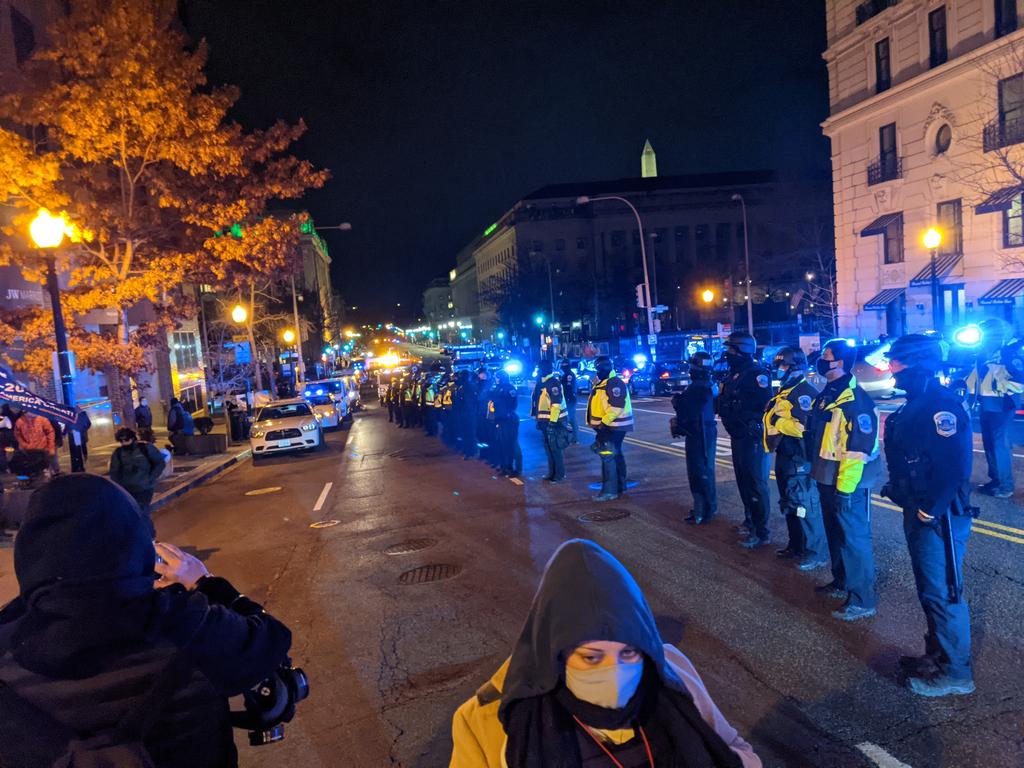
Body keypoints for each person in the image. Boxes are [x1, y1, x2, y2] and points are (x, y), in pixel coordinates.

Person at [0, 473, 293, 767]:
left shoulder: (7, 643)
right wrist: (206, 583)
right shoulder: (184, 623)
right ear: (133, 540)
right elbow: (272, 639)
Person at [449, 538, 761, 768]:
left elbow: (734, 747)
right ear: (555, 655)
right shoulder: (486, 720)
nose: (614, 673)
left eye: (628, 653)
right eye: (591, 657)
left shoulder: (671, 674)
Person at [883, 335, 976, 697]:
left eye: (897, 363)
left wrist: (928, 510)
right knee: (929, 590)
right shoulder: (916, 403)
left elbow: (954, 469)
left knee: (944, 591)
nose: (891, 368)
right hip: (921, 510)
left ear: (918, 365)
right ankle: (938, 655)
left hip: (940, 516)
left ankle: (956, 672)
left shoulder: (940, 405)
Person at [808, 339, 880, 621]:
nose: (821, 359)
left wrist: (845, 488)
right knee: (836, 532)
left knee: (853, 537)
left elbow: (859, 448)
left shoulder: (854, 399)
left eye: (826, 356)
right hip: (826, 473)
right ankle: (842, 581)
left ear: (839, 362)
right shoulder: (828, 393)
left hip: (846, 478)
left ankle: (863, 598)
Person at [762, 347, 827, 570]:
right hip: (786, 456)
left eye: (784, 366)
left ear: (795, 367)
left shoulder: (804, 393)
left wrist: (778, 424)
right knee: (789, 502)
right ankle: (796, 545)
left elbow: (804, 428)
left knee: (804, 505)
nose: (779, 370)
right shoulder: (787, 391)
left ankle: (814, 551)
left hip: (800, 458)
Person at [717, 331, 773, 547]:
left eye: (731, 349)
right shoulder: (733, 374)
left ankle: (761, 531)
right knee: (742, 479)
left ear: (743, 350)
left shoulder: (757, 373)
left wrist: (751, 421)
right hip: (737, 434)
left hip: (752, 437)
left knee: (755, 481)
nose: (728, 353)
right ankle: (750, 520)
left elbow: (764, 406)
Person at [963, 318, 1023, 499]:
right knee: (990, 444)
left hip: (1002, 403)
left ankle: (1005, 485)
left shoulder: (1008, 353)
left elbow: (1019, 382)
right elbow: (975, 378)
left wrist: (996, 366)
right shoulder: (985, 351)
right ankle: (996, 481)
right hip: (987, 403)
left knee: (998, 444)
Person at [672, 351, 718, 524]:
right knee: (704, 470)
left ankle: (703, 509)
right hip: (703, 431)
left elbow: (689, 412)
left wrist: (678, 403)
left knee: (699, 472)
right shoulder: (708, 385)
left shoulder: (699, 388)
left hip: (699, 433)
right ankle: (706, 508)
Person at [586, 356, 634, 501]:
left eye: (598, 370)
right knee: (616, 455)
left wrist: (603, 425)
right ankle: (619, 485)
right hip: (610, 426)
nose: (596, 372)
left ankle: (609, 491)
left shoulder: (614, 383)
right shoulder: (604, 382)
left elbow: (616, 407)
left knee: (608, 456)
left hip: (614, 426)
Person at [110, 427, 167, 537]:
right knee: (130, 514)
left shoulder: (145, 448)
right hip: (127, 489)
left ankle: (150, 537)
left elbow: (159, 463)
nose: (124, 443)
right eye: (121, 441)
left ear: (132, 438)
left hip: (144, 487)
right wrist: (118, 486)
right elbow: (114, 471)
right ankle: (137, 538)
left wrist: (151, 478)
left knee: (142, 512)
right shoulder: (118, 453)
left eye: (126, 440)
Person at [533, 359, 569, 483]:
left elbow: (556, 405)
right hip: (544, 421)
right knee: (548, 448)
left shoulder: (552, 383)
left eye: (540, 369)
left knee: (555, 448)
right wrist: (538, 419)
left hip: (555, 421)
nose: (538, 371)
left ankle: (559, 474)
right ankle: (551, 472)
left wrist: (553, 423)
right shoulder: (541, 382)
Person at [489, 370, 522, 477]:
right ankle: (505, 467)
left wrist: (505, 414)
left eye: (497, 377)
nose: (495, 379)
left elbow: (513, 404)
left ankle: (517, 469)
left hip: (509, 419)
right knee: (502, 444)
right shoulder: (497, 388)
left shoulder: (509, 388)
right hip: (500, 419)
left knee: (512, 444)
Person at [560, 359, 580, 444]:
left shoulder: (568, 375)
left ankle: (566, 439)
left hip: (569, 399)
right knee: (572, 419)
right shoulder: (567, 374)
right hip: (570, 399)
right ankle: (575, 438)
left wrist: (566, 399)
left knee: (566, 419)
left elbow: (568, 388)